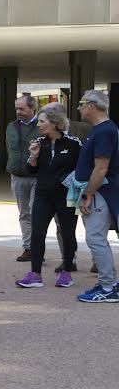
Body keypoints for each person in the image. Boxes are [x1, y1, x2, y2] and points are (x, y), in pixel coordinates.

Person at [16, 102, 81, 288]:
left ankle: (67, 271)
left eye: (42, 121)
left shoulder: (73, 143)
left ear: (54, 122)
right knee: (37, 232)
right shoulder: (39, 143)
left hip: (67, 196)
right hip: (43, 195)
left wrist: (78, 193)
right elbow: (30, 170)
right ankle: (35, 274)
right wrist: (33, 156)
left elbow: (83, 168)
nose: (38, 125)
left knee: (68, 233)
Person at [73, 90, 119, 303]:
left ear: (91, 105)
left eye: (81, 103)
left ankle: (108, 287)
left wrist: (88, 194)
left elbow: (101, 168)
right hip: (100, 191)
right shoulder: (101, 130)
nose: (79, 108)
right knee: (97, 239)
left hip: (100, 193)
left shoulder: (103, 132)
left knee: (95, 238)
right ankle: (108, 283)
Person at [6, 93, 40, 263]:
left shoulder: (42, 126)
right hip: (17, 176)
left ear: (33, 108)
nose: (18, 111)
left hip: (36, 177)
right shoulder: (11, 126)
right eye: (17, 108)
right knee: (24, 214)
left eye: (22, 108)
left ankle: (37, 249)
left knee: (35, 212)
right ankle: (28, 248)